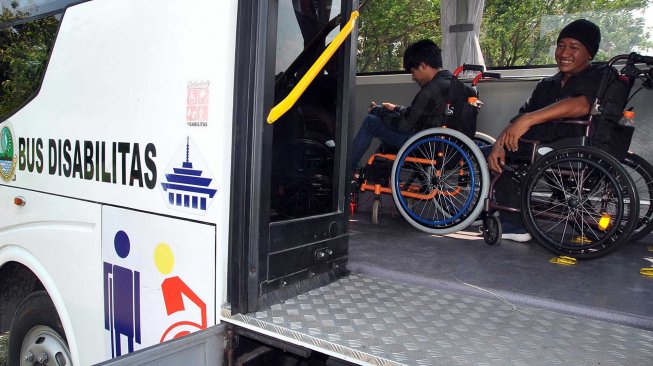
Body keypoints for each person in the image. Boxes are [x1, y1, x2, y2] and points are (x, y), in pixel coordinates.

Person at [486, 19, 603, 242]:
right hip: (537, 145)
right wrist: (498, 144)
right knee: (488, 151)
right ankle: (507, 208)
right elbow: (518, 118)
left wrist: (529, 120)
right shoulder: (548, 84)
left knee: (482, 155)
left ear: (590, 54)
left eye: (574, 47)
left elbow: (581, 105)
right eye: (561, 45)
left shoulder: (597, 76)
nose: (564, 52)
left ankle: (513, 224)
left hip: (564, 147)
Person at [350, 39, 452, 171]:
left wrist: (378, 111)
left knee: (371, 122)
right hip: (442, 143)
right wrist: (396, 109)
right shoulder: (452, 84)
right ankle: (375, 171)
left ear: (422, 66)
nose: (413, 77)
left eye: (413, 72)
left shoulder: (431, 90)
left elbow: (404, 126)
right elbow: (419, 115)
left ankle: (347, 170)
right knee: (386, 131)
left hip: (422, 144)